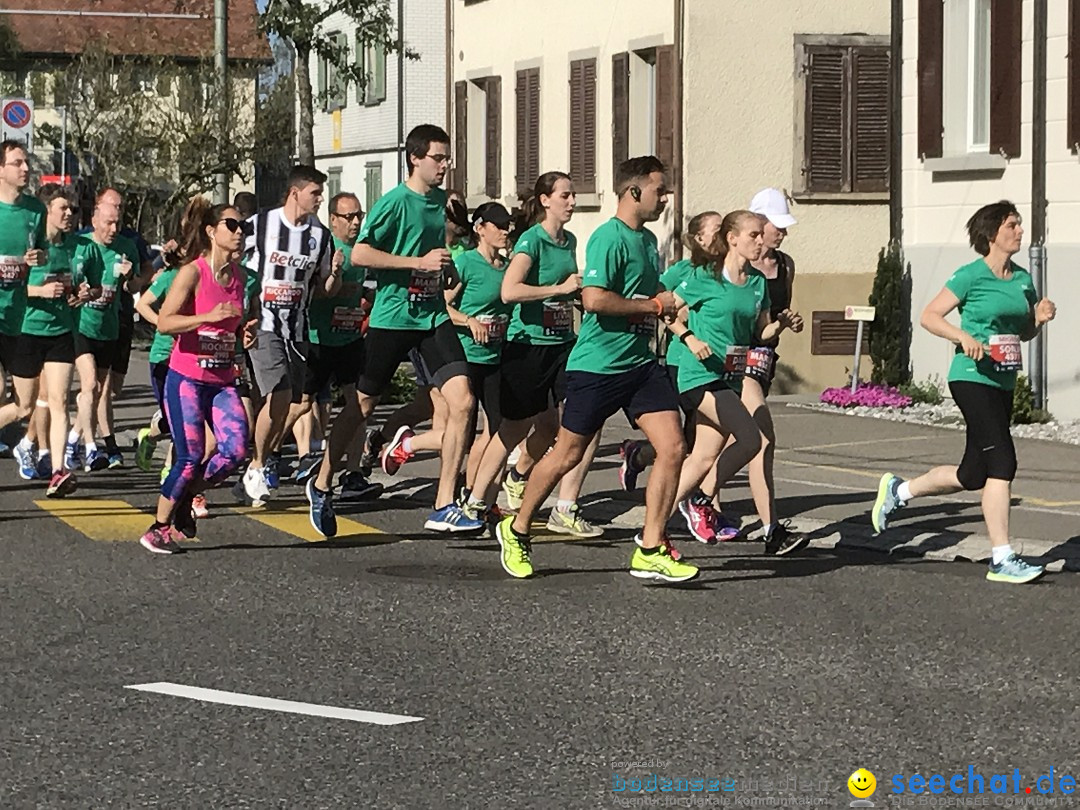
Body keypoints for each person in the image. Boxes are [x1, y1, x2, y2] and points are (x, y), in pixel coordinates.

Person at [494, 156, 698, 583]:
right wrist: (652, 305)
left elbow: (649, 293)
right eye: (660, 190)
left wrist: (677, 312)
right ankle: (516, 529)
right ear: (634, 192)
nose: (665, 198)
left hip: (641, 364)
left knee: (674, 447)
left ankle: (650, 546)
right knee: (566, 455)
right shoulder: (609, 238)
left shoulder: (645, 241)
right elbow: (594, 300)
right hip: (597, 367)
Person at [306, 124, 483, 537]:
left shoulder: (440, 201)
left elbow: (431, 249)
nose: (445, 165)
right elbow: (364, 252)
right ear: (415, 159)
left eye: (447, 157)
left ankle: (444, 504)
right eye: (438, 158)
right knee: (362, 407)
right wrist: (416, 264)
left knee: (463, 399)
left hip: (433, 316)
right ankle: (322, 482)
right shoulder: (393, 203)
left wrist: (444, 266)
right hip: (392, 318)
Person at [873, 201, 1056, 584]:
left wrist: (1036, 320)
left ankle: (899, 491)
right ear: (992, 234)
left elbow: (1021, 332)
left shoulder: (1023, 280)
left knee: (974, 473)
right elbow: (929, 316)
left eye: (1020, 224)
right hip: (970, 377)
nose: (1020, 231)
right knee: (1003, 461)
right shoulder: (969, 276)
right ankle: (1002, 558)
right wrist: (963, 337)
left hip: (1002, 379)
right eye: (1012, 225)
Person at [461, 171, 603, 538]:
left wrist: (580, 297)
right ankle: (475, 501)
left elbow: (563, 291)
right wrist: (558, 288)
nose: (572, 202)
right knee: (514, 428)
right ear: (545, 200)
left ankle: (550, 496)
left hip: (562, 345)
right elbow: (510, 291)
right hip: (527, 346)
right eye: (565, 196)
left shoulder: (568, 240)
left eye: (573, 195)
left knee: (580, 422)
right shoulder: (531, 241)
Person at [670, 211, 806, 556]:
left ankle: (652, 529)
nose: (761, 241)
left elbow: (759, 333)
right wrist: (688, 337)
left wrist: (782, 325)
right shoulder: (704, 277)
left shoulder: (758, 283)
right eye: (753, 235)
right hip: (699, 374)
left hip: (730, 375)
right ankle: (700, 499)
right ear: (732, 238)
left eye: (762, 235)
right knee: (752, 439)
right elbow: (666, 310)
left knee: (701, 457)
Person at [139, 200, 250, 553]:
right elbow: (165, 321)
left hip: (221, 379)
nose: (239, 233)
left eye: (242, 227)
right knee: (190, 455)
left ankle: (187, 494)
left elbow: (236, 323)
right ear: (211, 231)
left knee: (235, 449)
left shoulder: (241, 277)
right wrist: (206, 317)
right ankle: (158, 528)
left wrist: (247, 332)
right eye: (231, 225)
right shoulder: (193, 272)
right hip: (186, 377)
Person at [238, 165, 337, 506]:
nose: (320, 199)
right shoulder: (261, 225)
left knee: (289, 403)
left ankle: (258, 462)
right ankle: (257, 464)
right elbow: (233, 257)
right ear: (295, 193)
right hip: (263, 323)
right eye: (315, 193)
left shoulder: (320, 236)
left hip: (297, 328)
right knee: (279, 394)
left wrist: (335, 275)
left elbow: (323, 287)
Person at [299, 191, 381, 500]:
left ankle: (353, 473)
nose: (356, 222)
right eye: (349, 217)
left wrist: (373, 301)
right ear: (333, 220)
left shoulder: (360, 252)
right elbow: (321, 293)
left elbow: (362, 290)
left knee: (358, 406)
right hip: (320, 340)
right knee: (302, 404)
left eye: (359, 215)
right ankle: (265, 456)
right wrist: (333, 272)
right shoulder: (325, 248)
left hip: (349, 340)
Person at [6, 185, 88, 495]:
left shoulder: (74, 247)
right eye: (63, 209)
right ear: (46, 213)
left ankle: (58, 471)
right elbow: (12, 286)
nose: (69, 214)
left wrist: (80, 294)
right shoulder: (30, 249)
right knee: (23, 407)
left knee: (59, 402)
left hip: (60, 333)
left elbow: (78, 285)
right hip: (27, 330)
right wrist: (40, 291)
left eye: (72, 209)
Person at [443, 202, 515, 510]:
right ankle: (469, 492)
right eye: (497, 225)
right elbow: (442, 307)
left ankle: (481, 497)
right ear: (480, 229)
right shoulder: (467, 264)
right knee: (469, 432)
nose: (505, 231)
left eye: (507, 225)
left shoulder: (508, 267)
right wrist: (469, 320)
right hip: (467, 356)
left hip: (496, 357)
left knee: (499, 430)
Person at [69, 201, 140, 472]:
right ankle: (90, 447)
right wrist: (79, 289)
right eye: (108, 223)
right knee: (90, 387)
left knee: (98, 393)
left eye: (117, 224)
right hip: (81, 326)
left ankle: (73, 440)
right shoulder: (81, 245)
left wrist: (130, 275)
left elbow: (135, 287)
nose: (113, 229)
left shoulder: (125, 248)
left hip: (108, 328)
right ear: (94, 219)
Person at [0, 146, 54, 480]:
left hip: (18, 318)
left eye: (26, 162)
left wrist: (37, 260)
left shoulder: (35, 210)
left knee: (24, 404)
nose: (25, 168)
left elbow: (43, 256)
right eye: (17, 163)